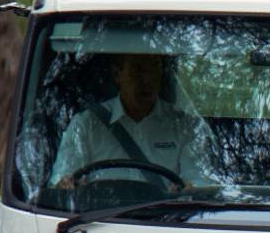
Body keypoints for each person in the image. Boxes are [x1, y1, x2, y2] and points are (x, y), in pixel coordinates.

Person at [49, 52, 215, 189]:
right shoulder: (85, 125)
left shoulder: (186, 126)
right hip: (97, 222)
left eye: (154, 68)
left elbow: (198, 184)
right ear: (117, 74)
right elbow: (62, 183)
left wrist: (188, 190)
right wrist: (66, 186)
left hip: (167, 222)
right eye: (138, 69)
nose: (148, 79)